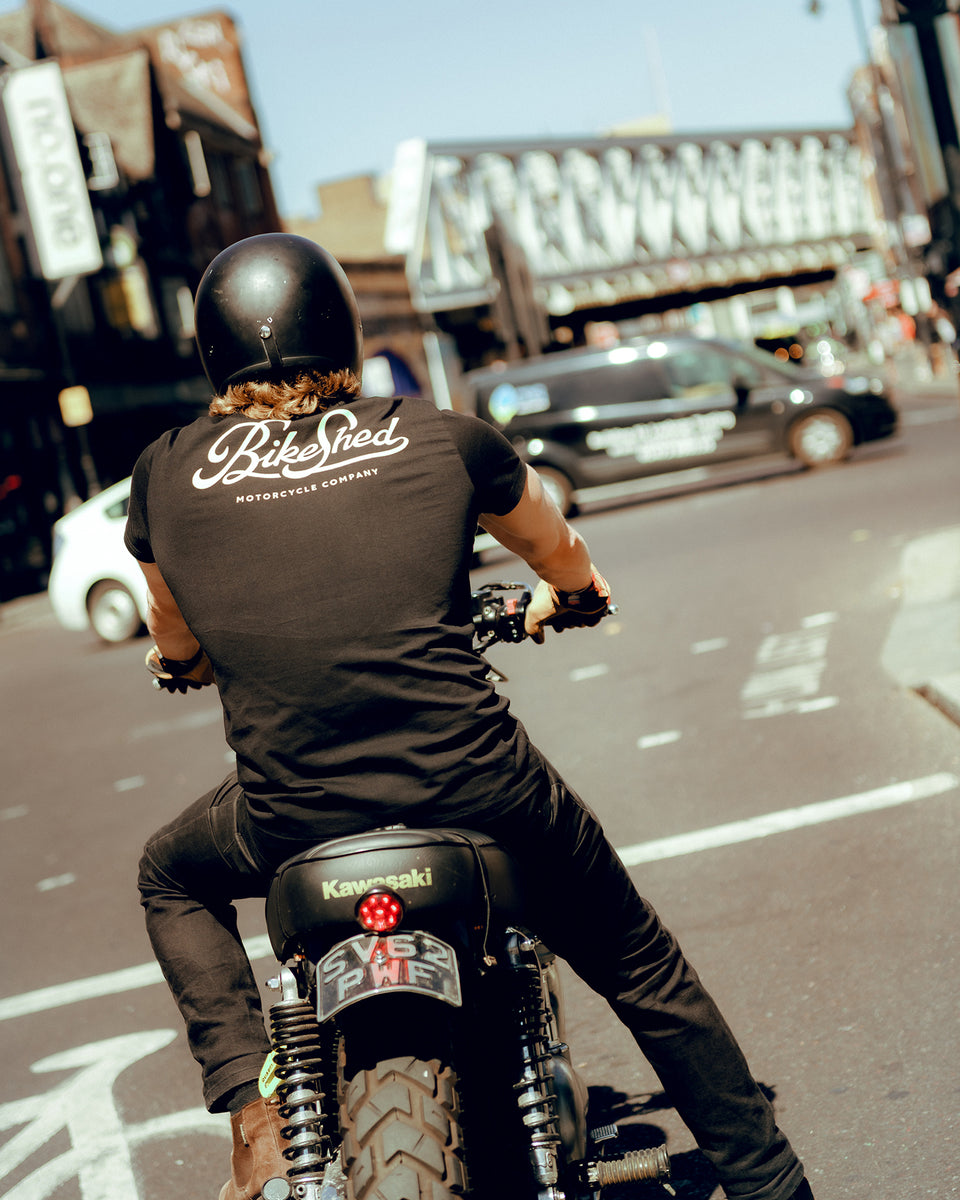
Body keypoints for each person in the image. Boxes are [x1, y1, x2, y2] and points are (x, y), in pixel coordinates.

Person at [126, 233, 816, 1200]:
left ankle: (254, 1110)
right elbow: (558, 551)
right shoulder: (444, 436)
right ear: (346, 333)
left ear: (212, 350)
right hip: (480, 788)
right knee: (643, 968)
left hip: (293, 815)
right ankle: (769, 1182)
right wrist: (570, 595)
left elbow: (173, 628)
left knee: (169, 871)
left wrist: (184, 660)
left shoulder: (163, 472)